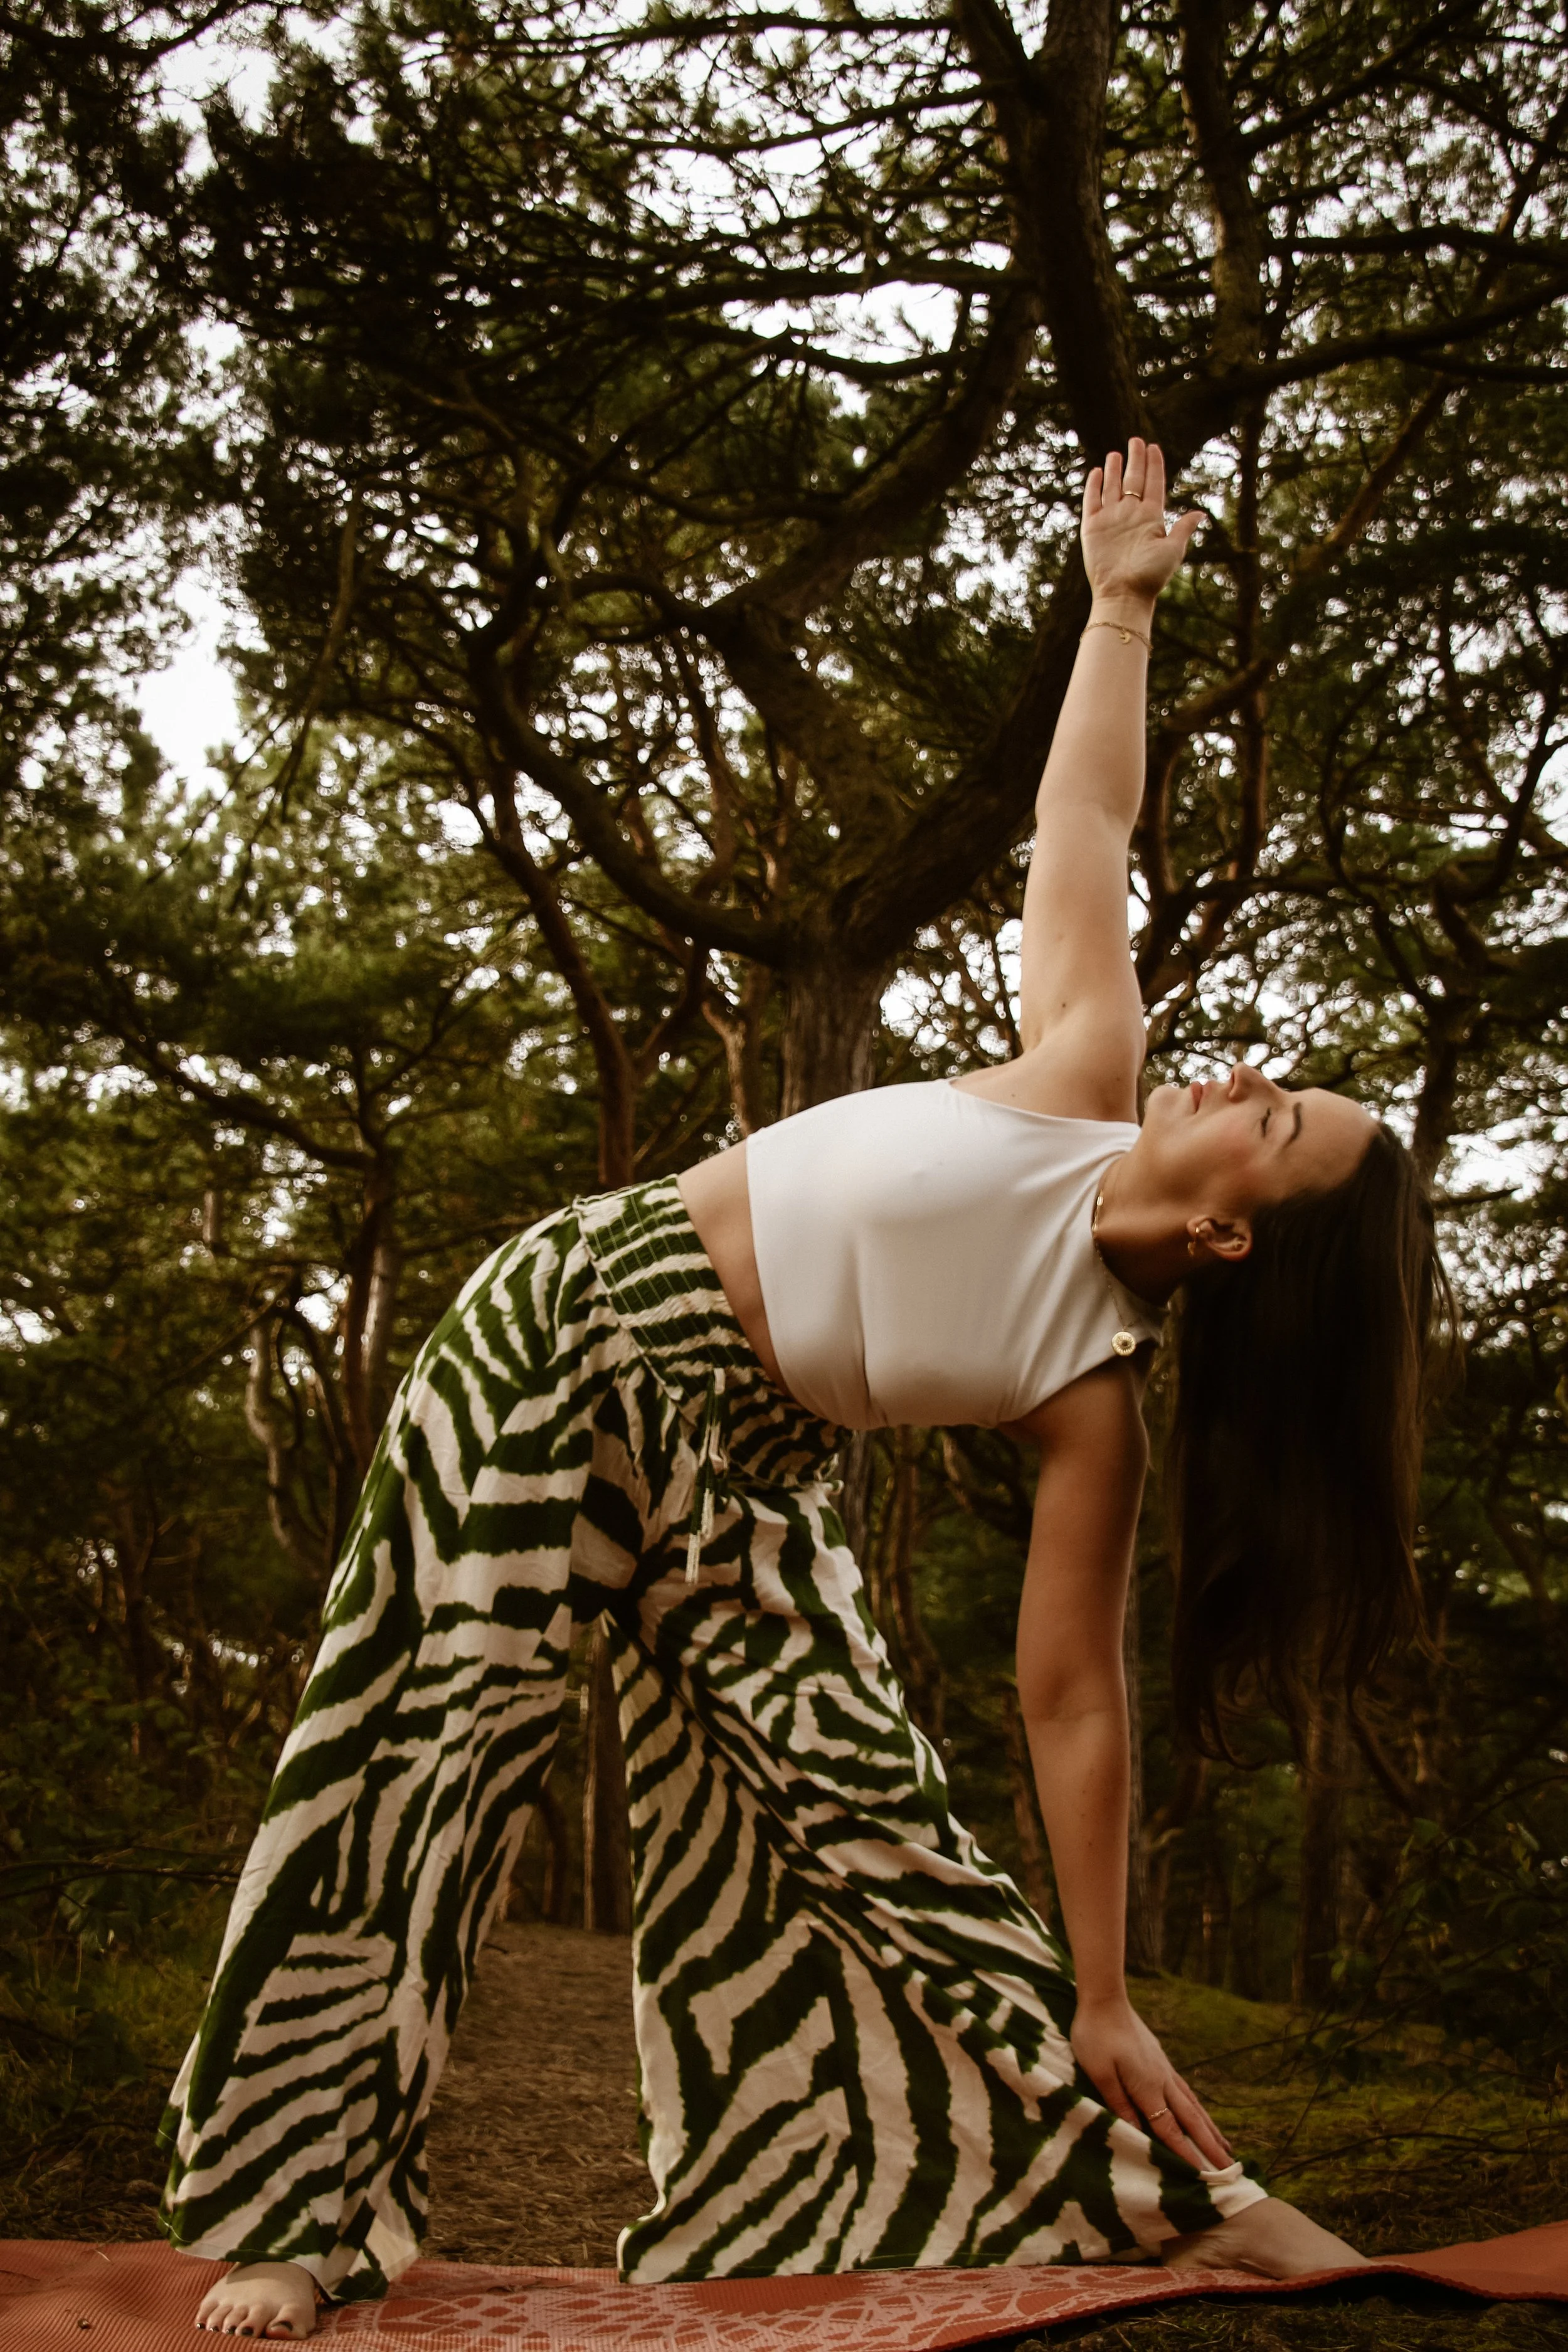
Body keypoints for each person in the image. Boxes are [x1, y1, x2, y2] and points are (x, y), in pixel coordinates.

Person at [170, 442, 1440, 2339]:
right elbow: (1081, 822)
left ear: (1245, 1236)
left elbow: (1069, 1701)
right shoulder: (1084, 1056)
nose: (1238, 1073)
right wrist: (1115, 608)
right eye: (1266, 1072)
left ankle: (1183, 2194)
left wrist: (1103, 1983)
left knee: (871, 1820)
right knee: (424, 1753)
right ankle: (304, 2204)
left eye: (1275, 1116)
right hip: (557, 1338)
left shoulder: (1088, 1388)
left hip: (742, 1472)